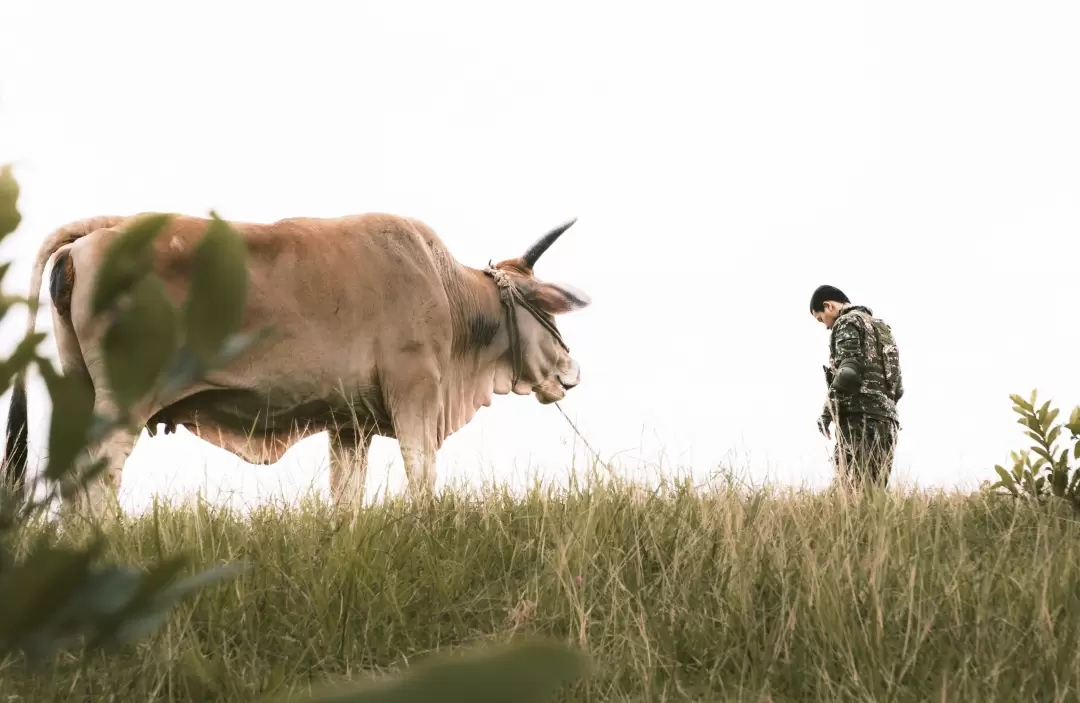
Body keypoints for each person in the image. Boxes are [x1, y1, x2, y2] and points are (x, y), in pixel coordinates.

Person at [809, 285, 903, 490]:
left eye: (820, 318)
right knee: (874, 495)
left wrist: (827, 413)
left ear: (829, 306)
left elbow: (848, 373)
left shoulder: (846, 322)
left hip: (859, 421)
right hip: (888, 422)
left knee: (850, 496)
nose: (825, 326)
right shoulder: (882, 328)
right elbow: (899, 387)